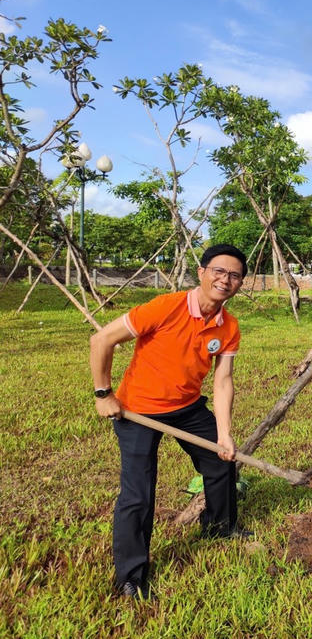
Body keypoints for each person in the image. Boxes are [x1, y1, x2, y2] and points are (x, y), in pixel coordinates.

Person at [89, 244, 248, 599]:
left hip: (187, 407)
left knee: (221, 463)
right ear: (202, 271)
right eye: (219, 271)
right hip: (138, 411)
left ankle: (220, 528)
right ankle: (131, 576)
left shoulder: (229, 326)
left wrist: (224, 434)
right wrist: (103, 394)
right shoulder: (166, 306)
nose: (225, 280)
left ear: (240, 284)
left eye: (234, 275)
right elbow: (102, 339)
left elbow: (222, 381)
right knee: (138, 492)